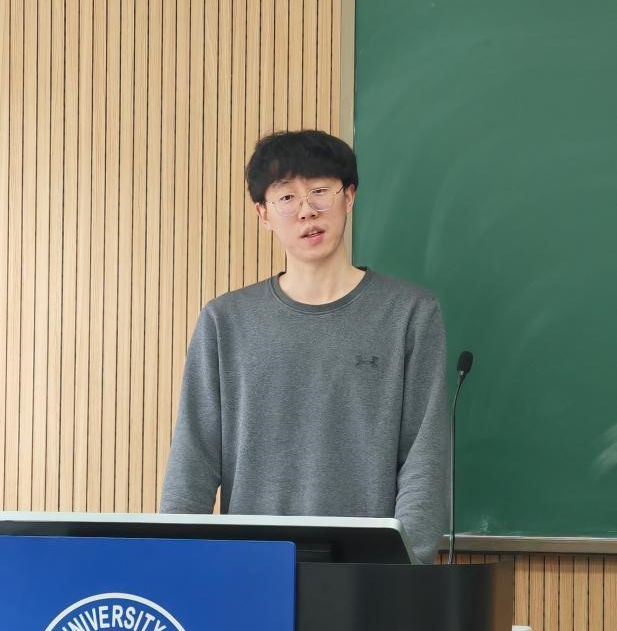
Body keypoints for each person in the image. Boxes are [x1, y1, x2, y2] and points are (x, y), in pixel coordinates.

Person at [160, 130, 449, 564]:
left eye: (320, 191)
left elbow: (425, 456)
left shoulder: (409, 313)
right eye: (286, 198)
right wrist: (172, 563)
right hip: (252, 568)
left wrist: (406, 566)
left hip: (369, 572)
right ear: (263, 213)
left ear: (348, 197)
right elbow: (194, 456)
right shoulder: (226, 320)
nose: (306, 211)